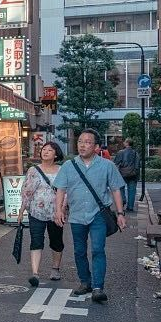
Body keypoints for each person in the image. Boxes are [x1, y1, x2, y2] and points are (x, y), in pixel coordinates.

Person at [53, 128, 127, 304]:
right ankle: (85, 281)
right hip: (77, 215)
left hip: (98, 215)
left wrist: (120, 213)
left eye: (87, 142)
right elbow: (60, 190)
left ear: (96, 146)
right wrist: (58, 210)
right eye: (80, 141)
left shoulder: (107, 165)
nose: (82, 145)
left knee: (98, 250)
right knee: (79, 251)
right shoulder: (69, 166)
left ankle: (97, 287)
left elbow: (116, 189)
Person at [18, 142, 66, 287]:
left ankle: (55, 268)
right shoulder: (33, 170)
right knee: (36, 240)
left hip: (55, 213)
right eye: (44, 149)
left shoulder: (62, 170)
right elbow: (27, 192)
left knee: (56, 241)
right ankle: (35, 273)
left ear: (56, 154)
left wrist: (62, 209)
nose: (45, 152)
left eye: (49, 150)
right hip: (35, 212)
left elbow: (66, 191)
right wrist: (21, 211)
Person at [112, 138, 140, 212]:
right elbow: (137, 165)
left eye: (125, 142)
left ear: (127, 143)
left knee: (121, 188)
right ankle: (130, 207)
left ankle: (123, 200)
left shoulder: (121, 152)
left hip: (122, 174)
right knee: (132, 190)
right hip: (133, 174)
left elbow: (115, 163)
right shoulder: (135, 153)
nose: (124, 143)